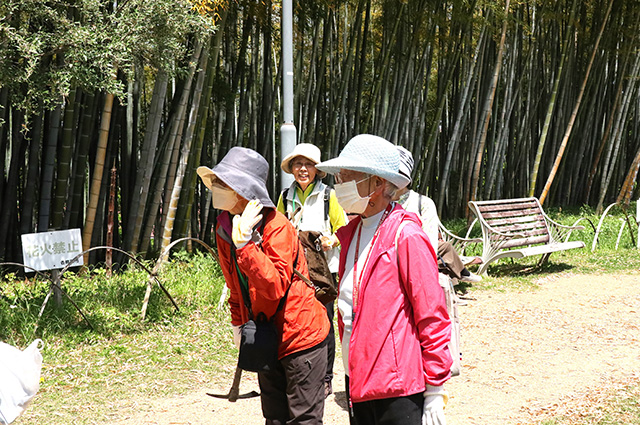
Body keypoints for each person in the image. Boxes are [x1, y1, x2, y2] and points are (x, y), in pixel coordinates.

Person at [316, 134, 452, 425]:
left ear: (377, 183)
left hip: (397, 383)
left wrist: (435, 389)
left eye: (346, 176)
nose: (338, 184)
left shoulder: (406, 236)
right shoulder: (352, 232)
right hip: (357, 375)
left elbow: (432, 314)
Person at [197, 147, 330, 425]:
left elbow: (273, 287)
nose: (217, 188)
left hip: (300, 336)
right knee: (274, 418)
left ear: (242, 188)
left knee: (303, 420)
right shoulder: (225, 227)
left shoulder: (276, 225)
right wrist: (238, 325)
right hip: (265, 336)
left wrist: (246, 246)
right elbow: (235, 286)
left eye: (223, 182)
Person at [277, 143, 347, 398]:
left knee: (324, 323)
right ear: (292, 169)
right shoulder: (285, 197)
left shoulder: (330, 196)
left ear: (317, 170)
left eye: (308, 164)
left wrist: (331, 240)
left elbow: (343, 229)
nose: (303, 169)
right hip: (295, 272)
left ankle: (325, 377)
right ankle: (300, 373)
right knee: (296, 321)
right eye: (298, 164)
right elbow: (277, 228)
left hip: (324, 271)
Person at [395, 146, 482, 284]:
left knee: (444, 248)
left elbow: (429, 245)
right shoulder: (375, 204)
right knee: (445, 249)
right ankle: (461, 273)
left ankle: (459, 276)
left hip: (416, 257)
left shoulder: (422, 203)